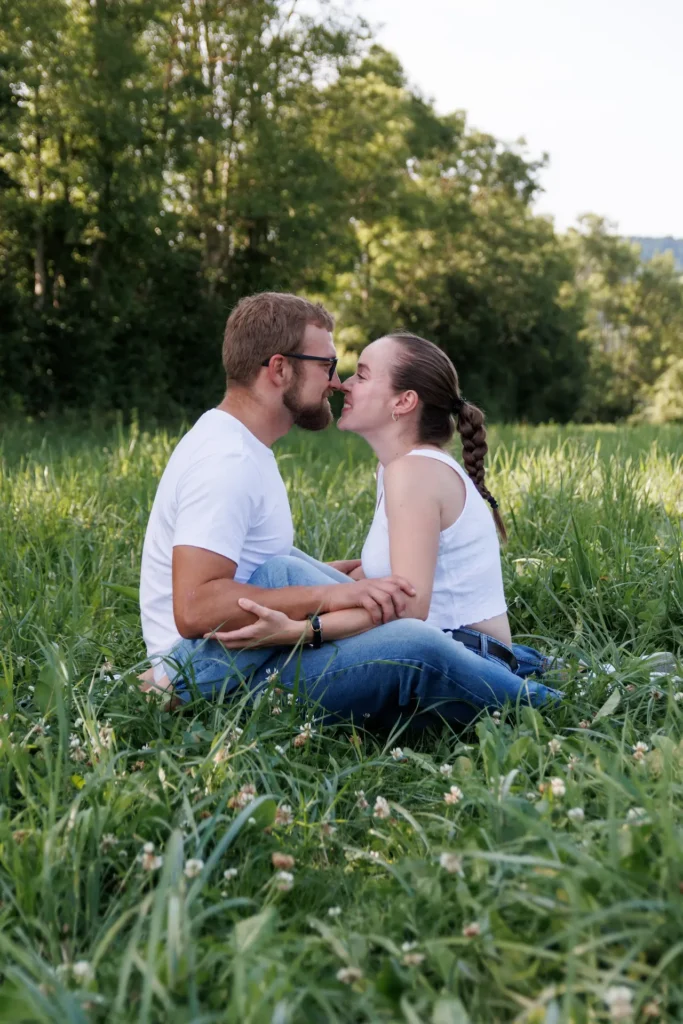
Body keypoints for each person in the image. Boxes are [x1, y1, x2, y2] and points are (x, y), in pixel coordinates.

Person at [139, 294, 560, 728]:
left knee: (288, 570)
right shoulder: (227, 461)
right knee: (404, 637)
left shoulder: (244, 450)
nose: (338, 383)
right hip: (215, 672)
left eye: (352, 372)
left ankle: (518, 668)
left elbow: (262, 572)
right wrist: (333, 594)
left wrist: (326, 582)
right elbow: (193, 609)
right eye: (328, 366)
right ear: (280, 368)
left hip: (250, 652)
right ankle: (546, 703)